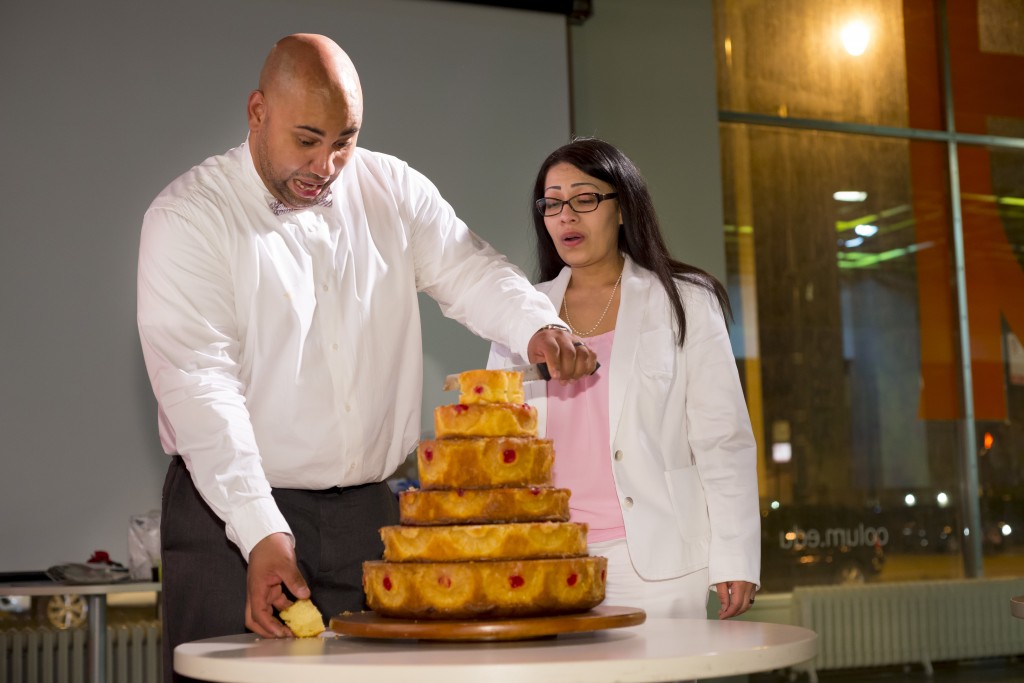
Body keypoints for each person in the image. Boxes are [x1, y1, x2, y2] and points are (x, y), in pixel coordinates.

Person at [137, 34, 596, 682]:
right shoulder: (187, 218)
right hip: (230, 520)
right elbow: (201, 390)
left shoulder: (391, 188)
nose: (326, 164)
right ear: (257, 112)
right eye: (306, 139)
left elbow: (467, 266)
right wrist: (259, 530)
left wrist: (538, 325)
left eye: (343, 140)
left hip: (368, 520)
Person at [488, 137, 760, 620]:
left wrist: (736, 554)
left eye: (585, 199)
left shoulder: (686, 301)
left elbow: (723, 439)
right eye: (552, 204)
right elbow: (497, 444)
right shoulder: (520, 316)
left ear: (621, 208)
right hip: (545, 557)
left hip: (657, 560)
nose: (566, 216)